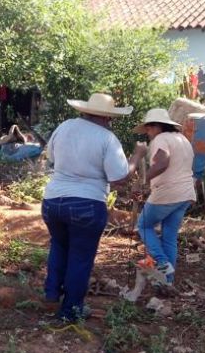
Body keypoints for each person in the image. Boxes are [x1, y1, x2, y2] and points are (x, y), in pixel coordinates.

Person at [42, 93, 148, 322]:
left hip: (53, 201)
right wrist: (137, 156)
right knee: (80, 257)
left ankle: (51, 292)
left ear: (85, 111)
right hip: (87, 204)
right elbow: (119, 177)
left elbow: (51, 156)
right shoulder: (107, 138)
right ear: (107, 118)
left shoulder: (65, 126)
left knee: (59, 246)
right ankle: (71, 311)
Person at [133, 108, 196, 285]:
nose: (148, 132)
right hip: (186, 193)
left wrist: (144, 181)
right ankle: (167, 281)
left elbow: (162, 162)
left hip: (168, 192)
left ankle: (162, 263)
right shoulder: (182, 139)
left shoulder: (160, 139)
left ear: (157, 126)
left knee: (143, 225)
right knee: (169, 236)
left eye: (149, 128)